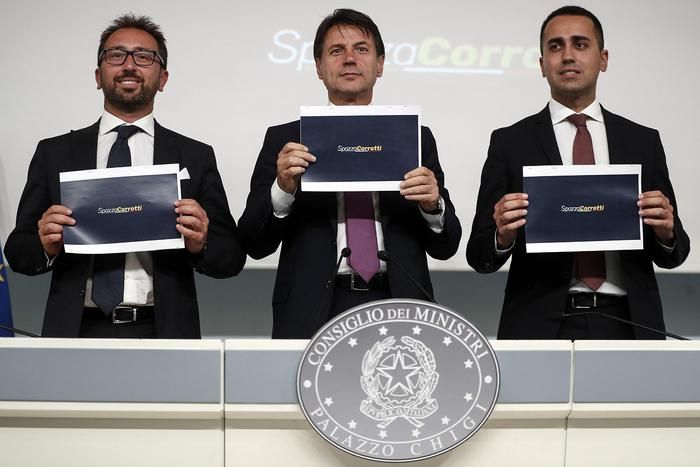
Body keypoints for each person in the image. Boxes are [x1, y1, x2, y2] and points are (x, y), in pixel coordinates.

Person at [4, 14, 245, 338]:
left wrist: (201, 244)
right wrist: (44, 244)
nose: (129, 65)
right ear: (98, 75)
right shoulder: (55, 153)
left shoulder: (194, 156)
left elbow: (231, 258)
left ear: (163, 78)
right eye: (116, 55)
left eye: (144, 57)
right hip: (74, 332)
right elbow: (18, 252)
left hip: (165, 333)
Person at [467, 6, 690, 340]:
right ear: (542, 64)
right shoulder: (509, 143)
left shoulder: (643, 141)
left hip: (629, 323)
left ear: (603, 59)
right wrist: (501, 236)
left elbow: (675, 254)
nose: (568, 55)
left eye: (580, 44)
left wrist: (666, 232)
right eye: (555, 46)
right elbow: (479, 256)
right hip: (538, 325)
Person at [239, 9, 461, 339]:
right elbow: (253, 243)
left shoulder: (413, 138)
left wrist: (432, 205)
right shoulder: (286, 141)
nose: (349, 59)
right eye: (336, 51)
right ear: (318, 67)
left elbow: (447, 245)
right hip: (312, 311)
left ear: (380, 64)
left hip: (399, 303)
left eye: (361, 49)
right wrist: (283, 189)